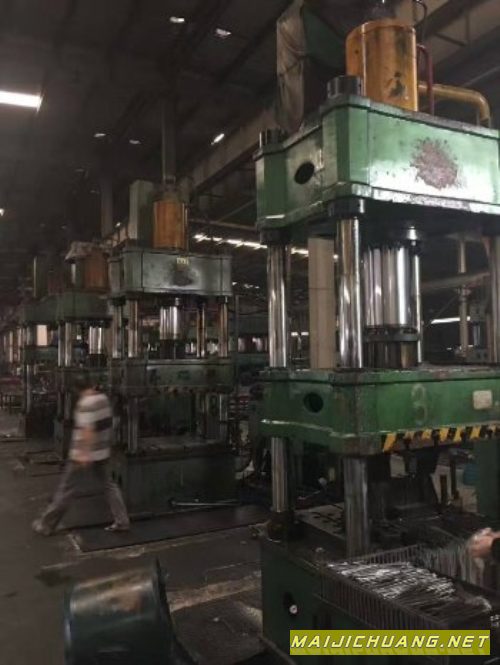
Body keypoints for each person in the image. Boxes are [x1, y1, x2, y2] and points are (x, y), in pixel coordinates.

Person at [32, 375, 130, 535]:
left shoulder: (85, 404)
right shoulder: (103, 399)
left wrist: (84, 453)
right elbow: (109, 424)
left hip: (83, 455)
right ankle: (122, 521)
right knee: (109, 486)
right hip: (102, 452)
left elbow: (87, 431)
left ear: (77, 390)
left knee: (66, 489)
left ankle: (46, 525)